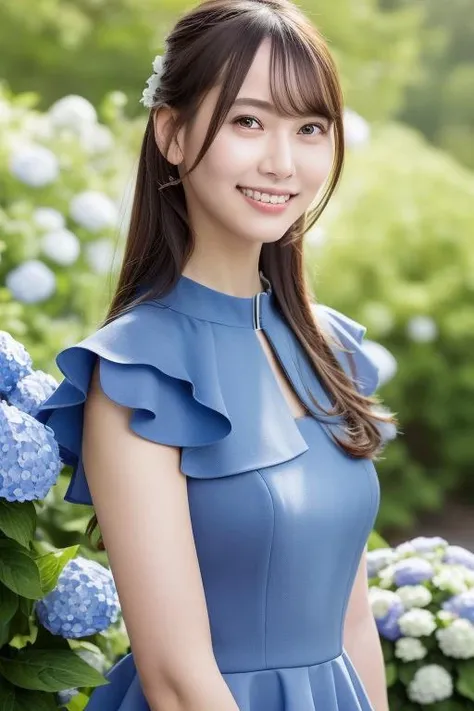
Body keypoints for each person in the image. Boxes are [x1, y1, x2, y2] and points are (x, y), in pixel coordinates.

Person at [37, 0, 395, 709]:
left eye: (310, 127)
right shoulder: (139, 372)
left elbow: (353, 621)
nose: (281, 161)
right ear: (171, 132)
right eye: (248, 120)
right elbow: (176, 681)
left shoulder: (332, 348)